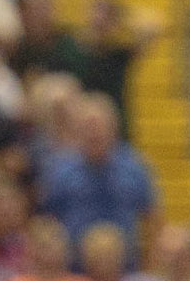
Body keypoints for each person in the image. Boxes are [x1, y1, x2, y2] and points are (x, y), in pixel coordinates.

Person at [37, 92, 158, 265]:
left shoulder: (135, 167)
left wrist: (149, 264)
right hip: (74, 271)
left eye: (99, 126)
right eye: (88, 127)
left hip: (125, 272)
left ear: (114, 128)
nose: (94, 133)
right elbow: (47, 222)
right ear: (77, 130)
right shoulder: (59, 170)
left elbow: (153, 219)